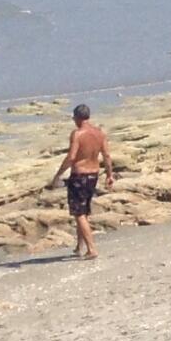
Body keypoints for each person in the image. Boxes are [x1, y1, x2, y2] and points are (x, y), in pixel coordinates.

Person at [51, 102, 115, 261]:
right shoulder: (99, 133)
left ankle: (92, 249)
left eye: (74, 117)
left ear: (78, 118)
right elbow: (106, 155)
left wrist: (58, 174)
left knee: (79, 213)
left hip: (79, 175)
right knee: (83, 211)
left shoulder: (77, 134)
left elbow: (71, 157)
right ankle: (79, 247)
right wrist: (109, 174)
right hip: (94, 174)